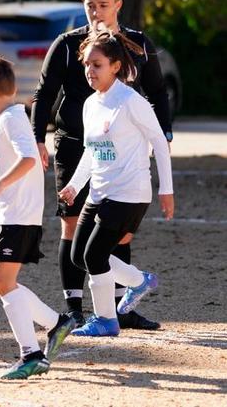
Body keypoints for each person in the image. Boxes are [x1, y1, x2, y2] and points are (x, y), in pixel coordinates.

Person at [31, 0, 172, 330]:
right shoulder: (68, 44)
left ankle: (118, 309)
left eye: (103, 5)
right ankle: (76, 307)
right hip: (76, 147)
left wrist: (164, 135)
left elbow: (157, 91)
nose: (95, 11)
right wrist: (37, 138)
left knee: (115, 238)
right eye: (89, 5)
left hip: (122, 158)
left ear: (117, 5)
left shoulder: (136, 47)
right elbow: (45, 93)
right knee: (74, 230)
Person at [57, 28, 173, 337]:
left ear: (115, 66)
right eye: (86, 64)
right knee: (78, 254)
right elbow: (91, 152)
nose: (89, 71)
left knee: (94, 256)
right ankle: (139, 280)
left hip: (129, 192)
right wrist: (75, 185)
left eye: (97, 65)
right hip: (99, 191)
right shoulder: (90, 104)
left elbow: (159, 143)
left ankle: (106, 320)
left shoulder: (130, 100)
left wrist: (167, 190)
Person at [0, 57, 77, 379]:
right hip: (10, 215)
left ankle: (31, 354)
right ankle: (57, 323)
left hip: (18, 216)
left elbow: (30, 159)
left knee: (3, 283)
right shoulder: (13, 117)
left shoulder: (11, 119)